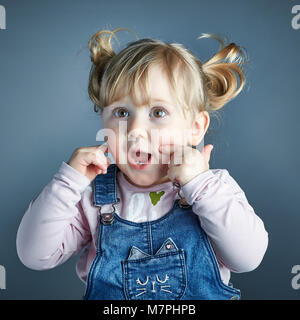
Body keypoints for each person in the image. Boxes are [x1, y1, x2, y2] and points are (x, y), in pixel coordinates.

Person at [16, 28, 268, 300]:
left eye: (158, 112)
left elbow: (248, 258)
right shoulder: (92, 198)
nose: (135, 130)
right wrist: (67, 182)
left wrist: (201, 185)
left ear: (195, 128)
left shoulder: (212, 190)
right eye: (121, 112)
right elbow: (34, 255)